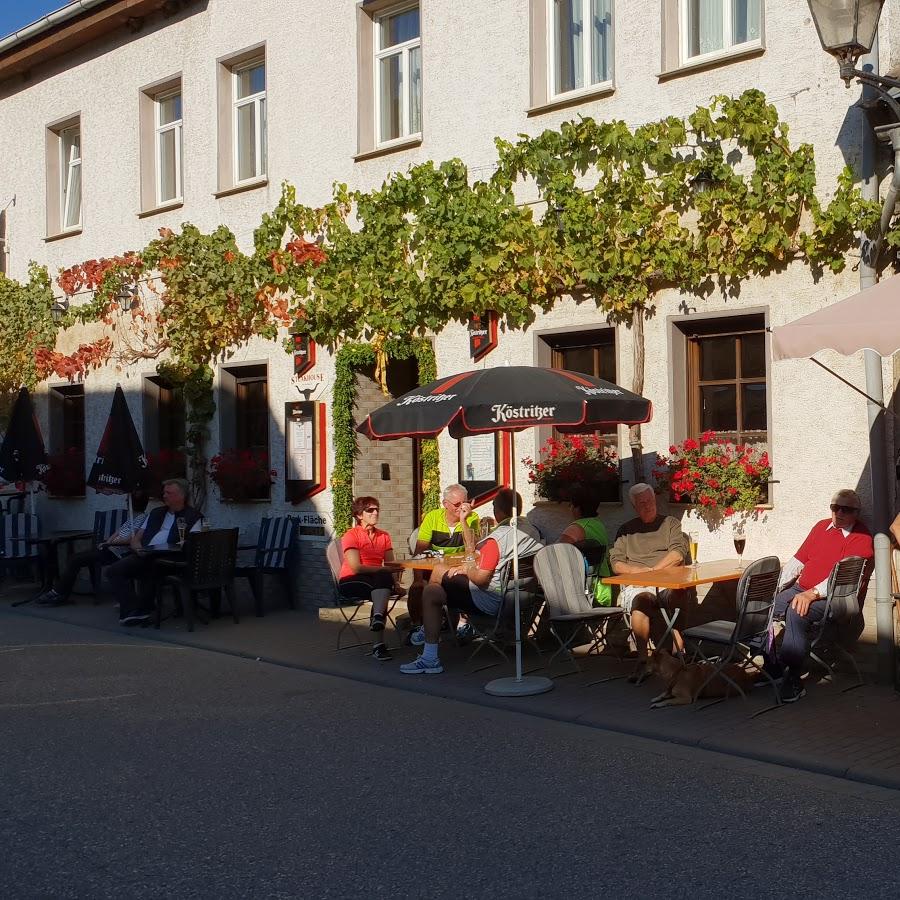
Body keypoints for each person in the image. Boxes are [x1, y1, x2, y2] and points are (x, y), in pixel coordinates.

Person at [400, 488, 543, 675]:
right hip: (520, 594)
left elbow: (481, 580)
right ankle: (450, 623)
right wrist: (468, 567)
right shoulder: (530, 531)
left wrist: (468, 569)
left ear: (496, 512)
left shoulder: (496, 540)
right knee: (436, 583)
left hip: (490, 600)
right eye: (458, 505)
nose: (463, 508)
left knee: (432, 589)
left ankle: (430, 652)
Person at [771, 489, 873, 703]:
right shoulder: (820, 527)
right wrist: (775, 587)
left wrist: (813, 593)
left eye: (846, 509)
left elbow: (844, 581)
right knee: (761, 607)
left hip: (834, 599)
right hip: (802, 590)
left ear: (857, 512)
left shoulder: (861, 537)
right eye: (835, 507)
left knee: (797, 611)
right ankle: (773, 665)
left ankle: (794, 677)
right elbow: (798, 561)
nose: (839, 513)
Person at [608, 483, 691, 680]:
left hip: (667, 581)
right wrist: (638, 573)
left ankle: (674, 657)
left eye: (650, 500)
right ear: (634, 506)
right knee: (641, 600)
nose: (648, 505)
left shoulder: (670, 523)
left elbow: (678, 554)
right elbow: (616, 563)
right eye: (642, 503)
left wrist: (653, 572)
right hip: (637, 583)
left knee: (676, 597)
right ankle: (643, 660)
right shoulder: (626, 531)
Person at [105, 478, 202, 626]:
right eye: (164, 492)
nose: (164, 496)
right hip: (145, 555)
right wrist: (138, 549)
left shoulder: (193, 517)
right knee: (114, 570)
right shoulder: (155, 513)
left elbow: (194, 544)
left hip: (172, 560)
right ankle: (133, 609)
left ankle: (141, 610)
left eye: (169, 493)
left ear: (181, 495)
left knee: (150, 569)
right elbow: (136, 538)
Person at [35, 489, 151, 607]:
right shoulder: (131, 516)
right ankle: (61, 592)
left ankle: (58, 592)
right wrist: (108, 541)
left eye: (129, 499)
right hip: (110, 548)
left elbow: (131, 539)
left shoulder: (142, 518)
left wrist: (110, 544)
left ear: (134, 502)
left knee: (76, 559)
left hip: (118, 552)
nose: (126, 501)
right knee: (75, 558)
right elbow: (118, 532)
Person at [406, 484, 481, 643]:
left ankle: (461, 623)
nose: (462, 507)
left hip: (458, 569)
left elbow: (471, 548)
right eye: (457, 504)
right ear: (445, 504)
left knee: (470, 584)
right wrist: (418, 579)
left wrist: (463, 520)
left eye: (464, 503)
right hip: (433, 568)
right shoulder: (433, 517)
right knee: (416, 588)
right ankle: (417, 626)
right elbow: (419, 551)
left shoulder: (472, 518)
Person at [338, 496, 405, 662]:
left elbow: (390, 563)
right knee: (381, 580)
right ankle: (378, 642)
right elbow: (356, 567)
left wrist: (396, 583)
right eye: (370, 510)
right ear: (359, 515)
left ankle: (377, 630)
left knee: (381, 581)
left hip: (376, 580)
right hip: (352, 579)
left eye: (377, 509)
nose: (375, 513)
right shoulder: (351, 535)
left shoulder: (384, 536)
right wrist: (384, 570)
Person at [559, 486, 613, 607]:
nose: (570, 508)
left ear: (578, 508)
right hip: (602, 587)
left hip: (582, 591)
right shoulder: (598, 525)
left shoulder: (577, 528)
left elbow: (553, 554)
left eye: (571, 505)